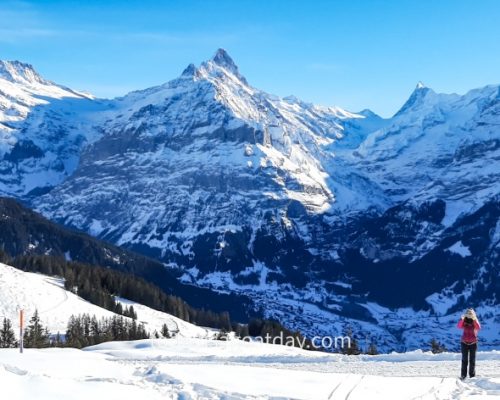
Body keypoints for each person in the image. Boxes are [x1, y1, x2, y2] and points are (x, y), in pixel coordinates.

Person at [457, 308, 481, 380]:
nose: (469, 315)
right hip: (464, 342)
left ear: (473, 314)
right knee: (464, 360)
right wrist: (462, 319)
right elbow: (459, 326)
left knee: (472, 360)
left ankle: (472, 376)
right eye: (468, 314)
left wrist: (474, 319)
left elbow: (478, 327)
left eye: (471, 314)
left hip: (473, 343)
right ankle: (463, 376)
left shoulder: (475, 321)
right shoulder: (464, 321)